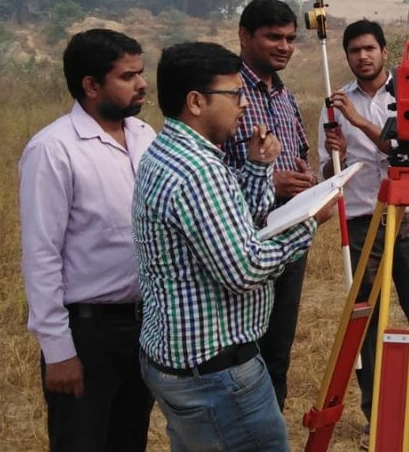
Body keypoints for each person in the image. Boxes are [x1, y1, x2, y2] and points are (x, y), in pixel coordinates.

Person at [133, 42, 334, 452]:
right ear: (195, 101)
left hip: (182, 363)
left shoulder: (169, 151)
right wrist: (309, 223)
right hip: (216, 376)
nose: (243, 106)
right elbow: (244, 269)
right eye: (234, 95)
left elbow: (229, 217)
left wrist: (257, 166)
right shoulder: (197, 170)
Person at [318, 19, 409, 451]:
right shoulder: (335, 102)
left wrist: (358, 121)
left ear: (384, 51)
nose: (363, 56)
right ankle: (374, 416)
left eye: (369, 48)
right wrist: (334, 153)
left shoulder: (408, 92)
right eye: (354, 50)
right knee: (368, 319)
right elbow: (328, 173)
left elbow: (398, 148)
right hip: (365, 219)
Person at [19, 28, 155, 452]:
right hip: (87, 332)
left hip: (145, 327)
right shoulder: (54, 149)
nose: (141, 84)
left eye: (141, 72)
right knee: (82, 441)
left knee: (129, 439)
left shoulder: (145, 137)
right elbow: (41, 254)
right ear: (91, 86)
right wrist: (58, 350)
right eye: (128, 76)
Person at [222, 0, 315, 411]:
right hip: (243, 247)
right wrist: (269, 180)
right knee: (243, 355)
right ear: (245, 36)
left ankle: (269, 429)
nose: (284, 46)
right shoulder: (225, 93)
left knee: (278, 352)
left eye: (291, 38)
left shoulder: (284, 96)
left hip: (290, 239)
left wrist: (307, 179)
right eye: (273, 37)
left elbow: (301, 155)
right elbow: (211, 174)